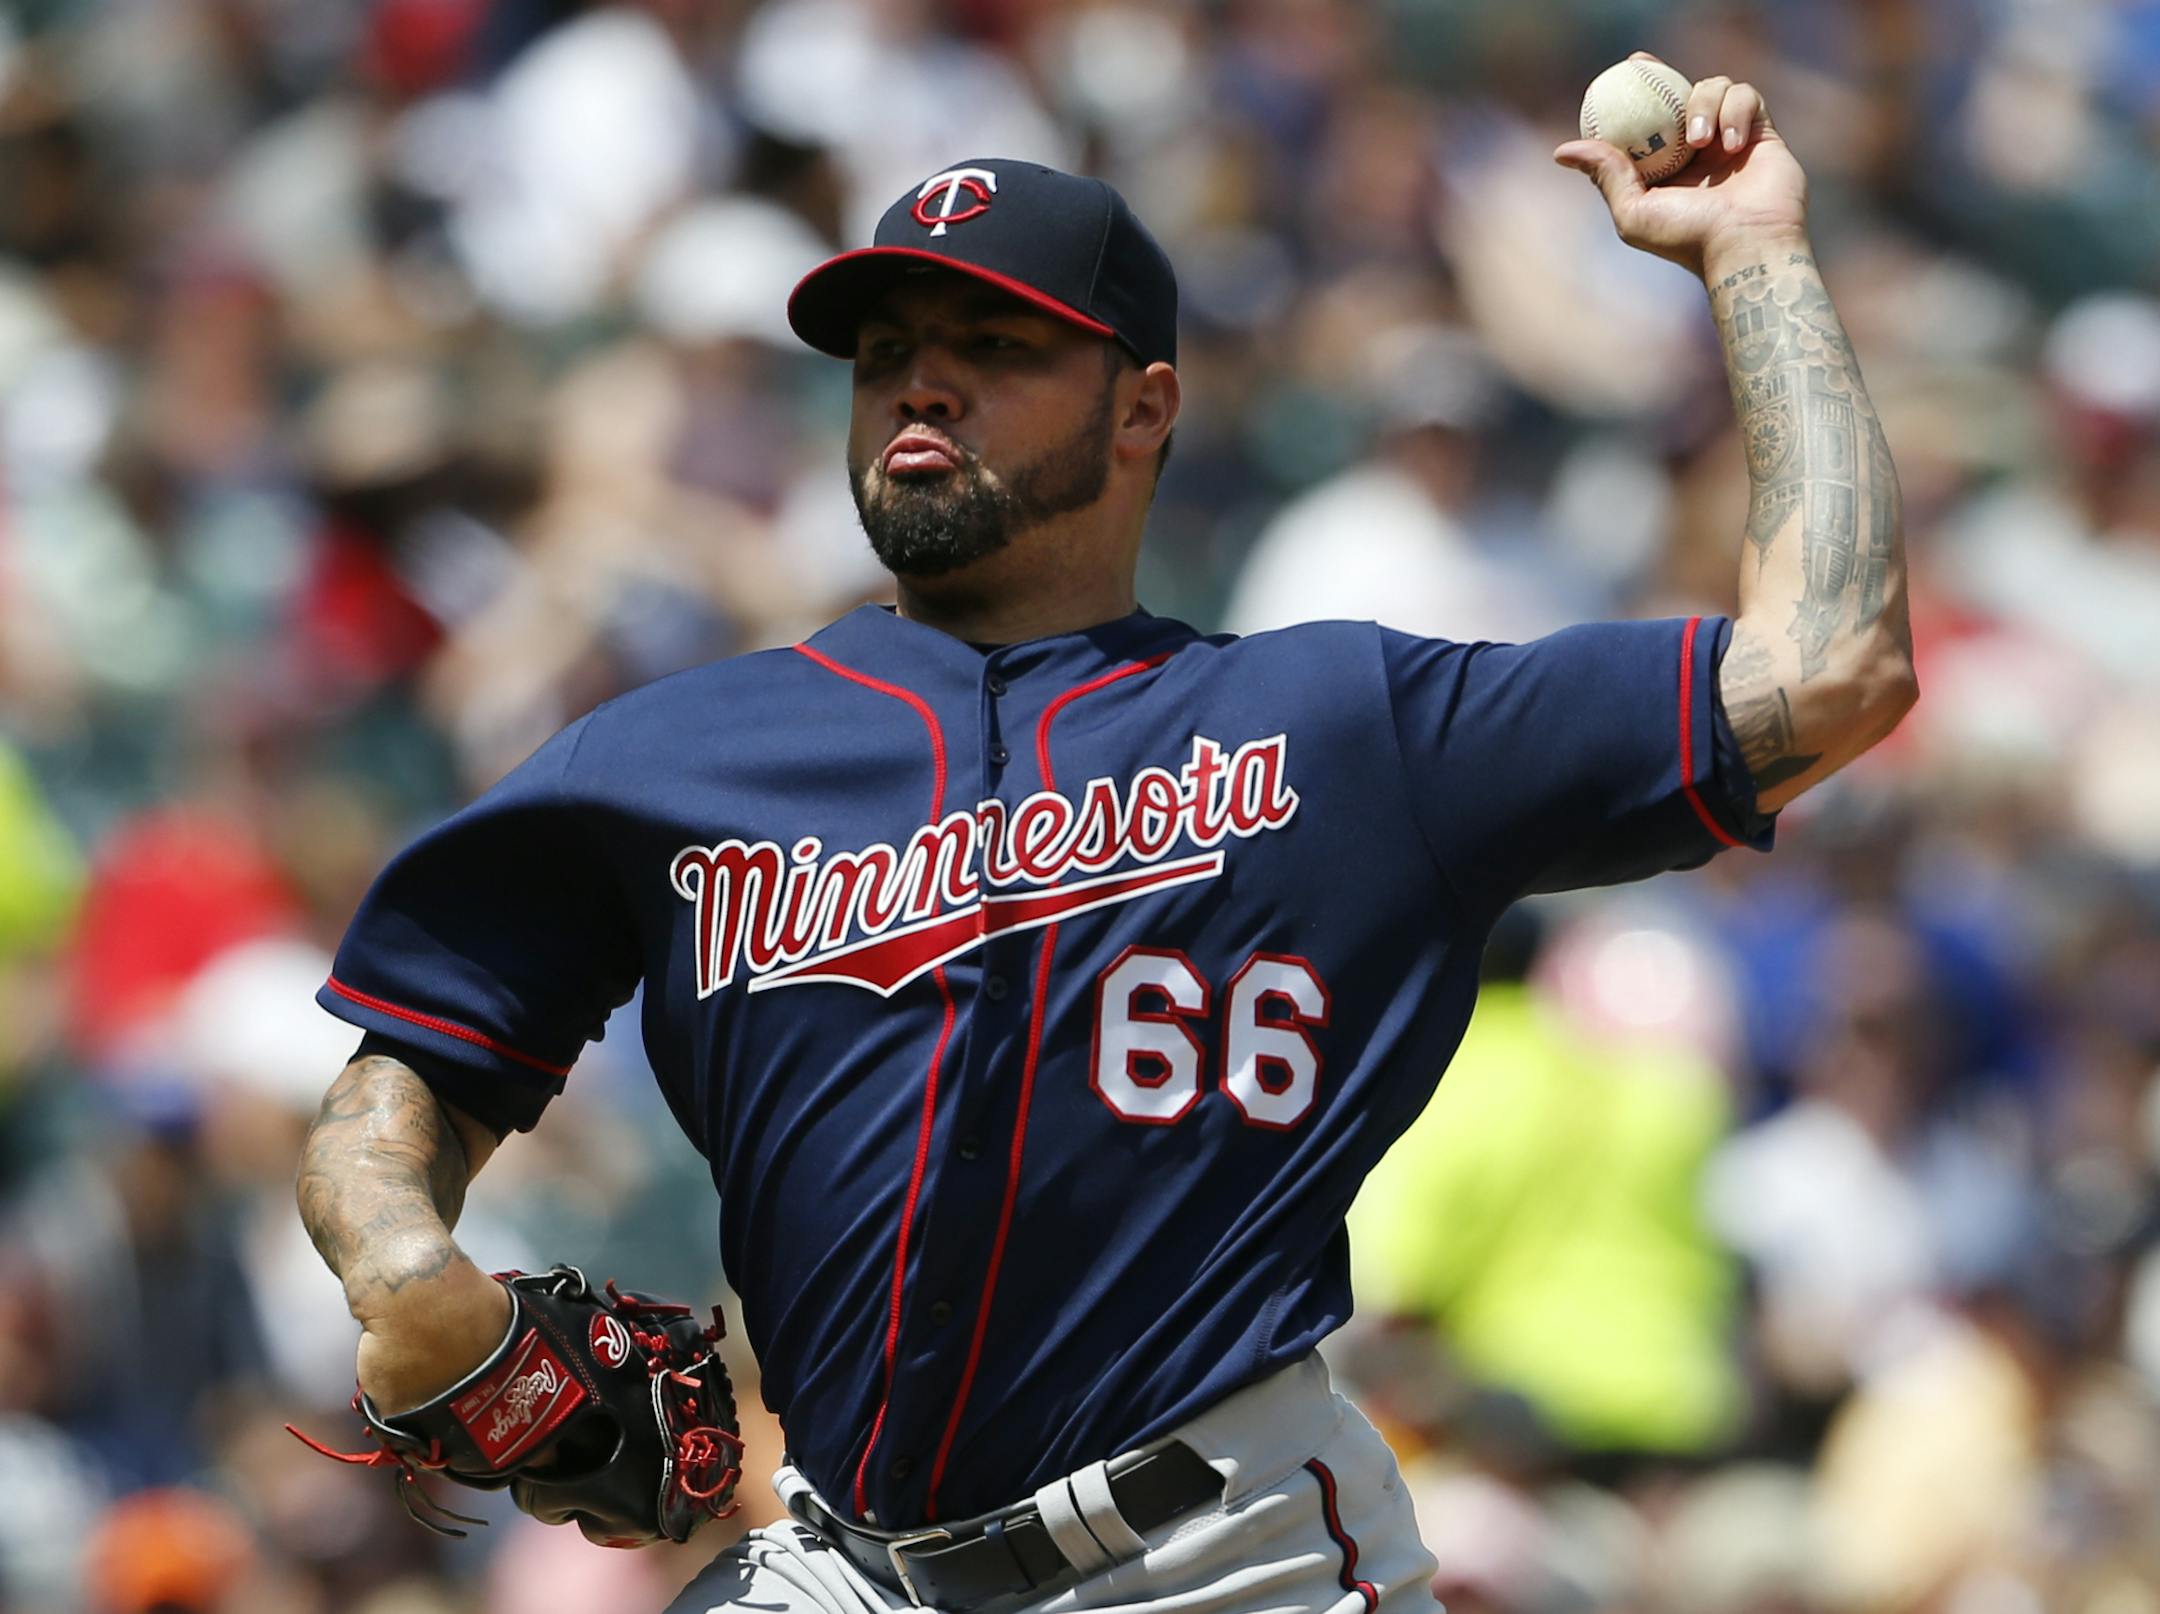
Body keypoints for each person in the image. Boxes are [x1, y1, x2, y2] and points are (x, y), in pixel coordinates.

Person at [296, 61, 1915, 1614]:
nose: (922, 378)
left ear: (1145, 409)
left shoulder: (1346, 728)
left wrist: (1755, 249)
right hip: (842, 1568)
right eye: (885, 350)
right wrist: (404, 1267)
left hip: (1231, 1558)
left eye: (993, 340)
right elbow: (406, 1077)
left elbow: (1831, 660)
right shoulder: (672, 759)